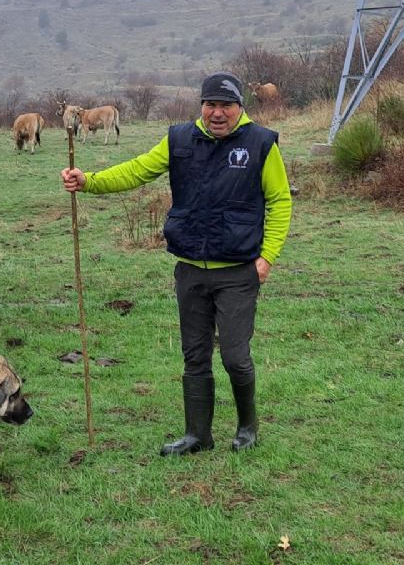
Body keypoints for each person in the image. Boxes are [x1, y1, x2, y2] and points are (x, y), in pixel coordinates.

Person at [61, 71, 292, 455]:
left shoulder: (261, 143)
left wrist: (267, 257)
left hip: (238, 271)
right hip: (190, 269)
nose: (217, 113)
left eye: (226, 106)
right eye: (210, 105)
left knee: (235, 357)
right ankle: (197, 435)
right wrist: (89, 181)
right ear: (202, 106)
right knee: (195, 356)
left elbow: (280, 201)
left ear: (240, 107)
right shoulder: (179, 139)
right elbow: (136, 170)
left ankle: (247, 428)